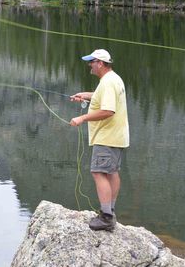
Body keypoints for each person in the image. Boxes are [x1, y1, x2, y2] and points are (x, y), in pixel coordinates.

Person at [69, 48, 129, 232]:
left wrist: (82, 118)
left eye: (92, 62)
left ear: (100, 63)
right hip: (115, 136)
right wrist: (86, 95)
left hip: (107, 136)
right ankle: (109, 211)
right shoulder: (112, 79)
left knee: (98, 172)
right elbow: (102, 98)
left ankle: (106, 217)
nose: (89, 65)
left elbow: (108, 111)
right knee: (111, 172)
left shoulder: (108, 82)